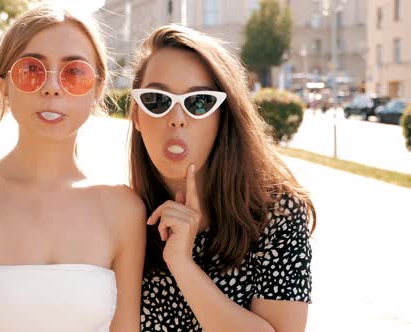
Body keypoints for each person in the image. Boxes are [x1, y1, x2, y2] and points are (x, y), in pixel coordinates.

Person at [0, 4, 146, 331]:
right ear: (3, 87)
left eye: (74, 72)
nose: (52, 87)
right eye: (31, 70)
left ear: (97, 90)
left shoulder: (124, 209)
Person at [127, 25, 316, 331]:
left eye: (198, 102)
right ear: (136, 115)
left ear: (223, 116)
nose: (176, 118)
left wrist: (183, 266)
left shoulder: (276, 216)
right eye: (157, 100)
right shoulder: (121, 216)